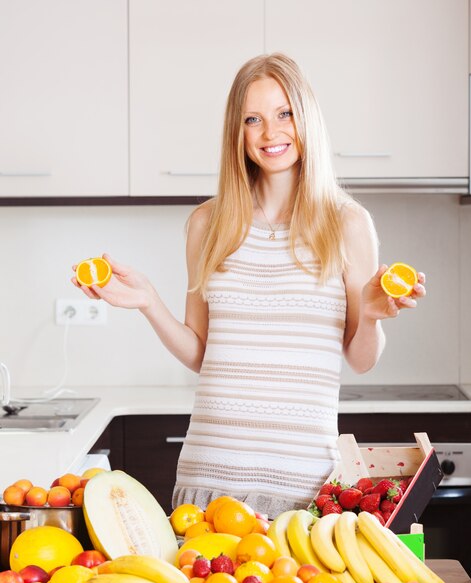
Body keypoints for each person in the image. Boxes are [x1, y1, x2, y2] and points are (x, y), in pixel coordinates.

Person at [72, 53, 426, 519]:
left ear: (306, 119)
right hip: (210, 478)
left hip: (301, 485)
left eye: (284, 114)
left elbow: (360, 360)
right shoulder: (208, 224)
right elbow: (203, 354)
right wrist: (148, 303)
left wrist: (373, 314)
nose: (270, 133)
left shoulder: (348, 224)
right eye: (252, 119)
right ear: (236, 134)